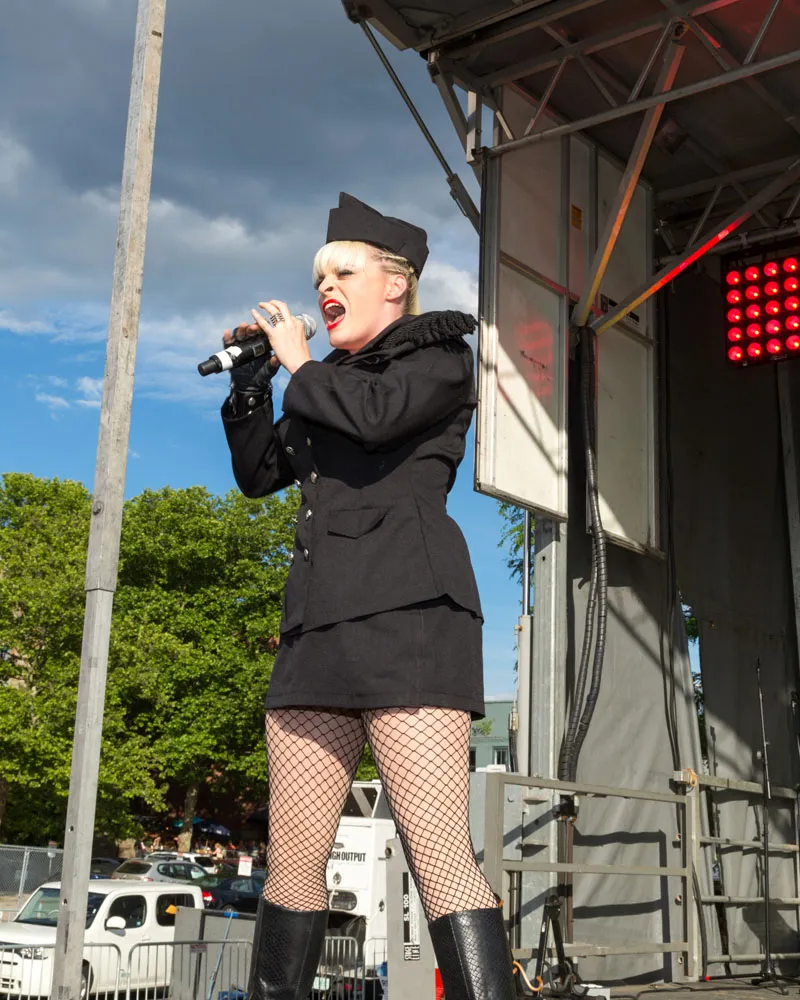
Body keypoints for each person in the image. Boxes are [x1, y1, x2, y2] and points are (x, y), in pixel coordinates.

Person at [220, 193, 516, 1000]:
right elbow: (261, 473)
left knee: (436, 852)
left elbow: (377, 419)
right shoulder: (326, 382)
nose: (324, 288)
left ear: (396, 282)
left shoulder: (438, 357)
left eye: (342, 273)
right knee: (293, 856)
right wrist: (250, 386)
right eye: (319, 276)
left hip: (408, 616)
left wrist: (297, 364)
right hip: (317, 625)